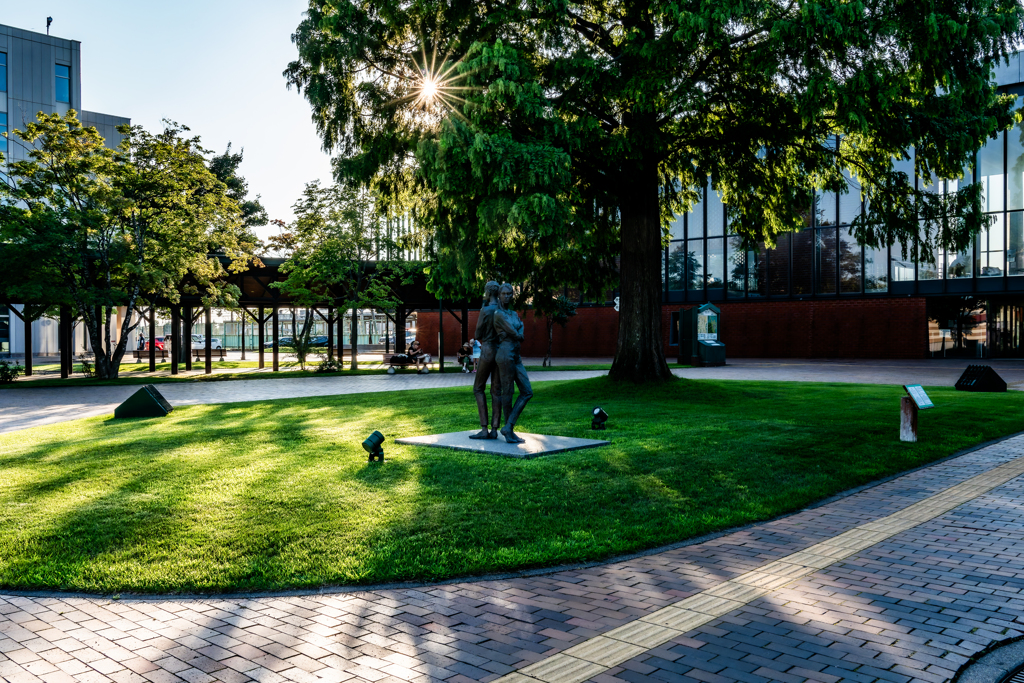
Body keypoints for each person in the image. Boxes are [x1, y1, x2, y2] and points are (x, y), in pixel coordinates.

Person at [493, 282, 533, 444]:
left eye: (510, 293)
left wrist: (518, 333)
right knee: (507, 393)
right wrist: (518, 333)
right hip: (505, 354)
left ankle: (509, 426)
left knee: (527, 391)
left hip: (516, 355)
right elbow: (515, 332)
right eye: (504, 294)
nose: (507, 296)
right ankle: (509, 432)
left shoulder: (513, 313)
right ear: (499, 295)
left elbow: (520, 329)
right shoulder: (499, 314)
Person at [469, 282, 503, 439]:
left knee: (478, 388)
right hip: (500, 351)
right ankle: (495, 429)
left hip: (488, 350)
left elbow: (477, 333)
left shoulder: (486, 310)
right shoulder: (503, 310)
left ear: (488, 292)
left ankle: (484, 429)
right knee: (496, 390)